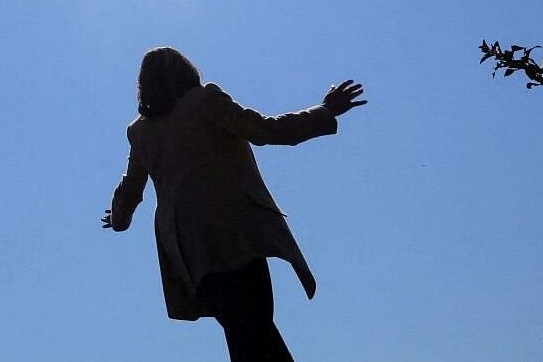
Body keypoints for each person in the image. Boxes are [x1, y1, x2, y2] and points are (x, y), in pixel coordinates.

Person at [103, 47, 366, 362]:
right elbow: (267, 130)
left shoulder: (141, 131)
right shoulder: (204, 101)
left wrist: (118, 217)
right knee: (254, 329)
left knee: (246, 333)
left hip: (192, 253)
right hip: (236, 236)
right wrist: (325, 111)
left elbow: (131, 188)